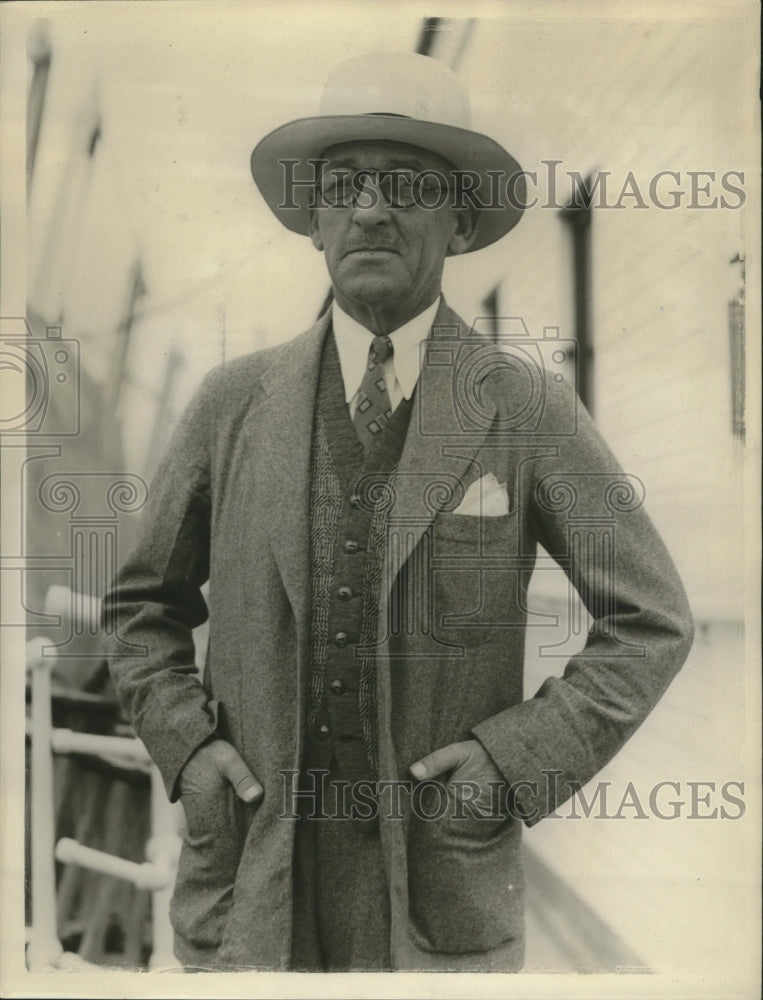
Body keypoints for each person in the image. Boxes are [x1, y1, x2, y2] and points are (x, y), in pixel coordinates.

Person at [104, 51, 694, 972]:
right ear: (312, 221)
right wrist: (190, 754)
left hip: (439, 897)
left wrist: (509, 765)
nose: (371, 209)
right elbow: (141, 612)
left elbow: (651, 620)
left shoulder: (524, 409)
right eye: (344, 185)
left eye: (408, 186)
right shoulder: (232, 404)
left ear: (460, 222)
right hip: (255, 887)